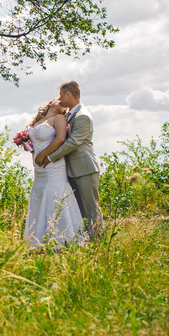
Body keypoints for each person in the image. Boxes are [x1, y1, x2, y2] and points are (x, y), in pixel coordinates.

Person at [35, 81, 104, 240]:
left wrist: (50, 157)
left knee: (90, 208)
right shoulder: (69, 114)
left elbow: (72, 143)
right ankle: (85, 241)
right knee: (79, 209)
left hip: (84, 168)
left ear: (68, 94)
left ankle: (99, 242)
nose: (59, 98)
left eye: (61, 95)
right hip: (71, 169)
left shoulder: (83, 116)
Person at [24, 97, 86, 249]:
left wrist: (42, 155)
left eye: (64, 105)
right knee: (40, 196)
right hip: (39, 169)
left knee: (55, 195)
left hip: (53, 165)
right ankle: (38, 240)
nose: (62, 102)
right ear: (51, 103)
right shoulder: (38, 121)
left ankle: (63, 240)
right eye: (58, 99)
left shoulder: (59, 118)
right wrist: (27, 146)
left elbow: (60, 139)